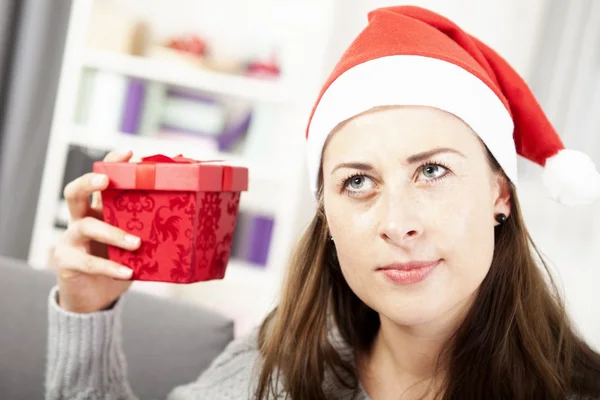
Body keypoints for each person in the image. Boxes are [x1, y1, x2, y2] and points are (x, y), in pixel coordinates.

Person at [45, 5, 600, 400]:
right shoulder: (280, 364)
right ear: (327, 216)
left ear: (499, 192)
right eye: (358, 182)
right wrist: (86, 309)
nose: (397, 223)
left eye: (432, 170)